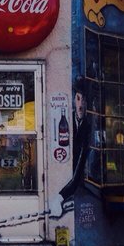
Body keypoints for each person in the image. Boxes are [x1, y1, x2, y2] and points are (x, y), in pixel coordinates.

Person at [49, 81, 94, 217]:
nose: (81, 104)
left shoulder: (88, 124)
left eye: (84, 100)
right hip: (67, 158)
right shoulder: (68, 118)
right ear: (74, 100)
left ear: (87, 103)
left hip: (79, 162)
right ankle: (62, 197)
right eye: (78, 99)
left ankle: (59, 198)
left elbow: (84, 152)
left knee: (77, 174)